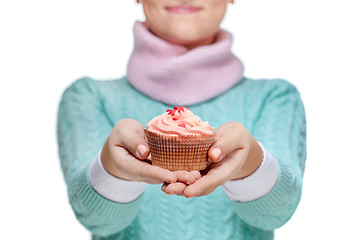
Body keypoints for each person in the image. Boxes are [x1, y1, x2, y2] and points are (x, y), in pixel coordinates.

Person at [57, 0, 306, 239]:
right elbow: (96, 219)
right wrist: (113, 169)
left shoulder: (275, 97)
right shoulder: (88, 97)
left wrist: (250, 162)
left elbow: (275, 214)